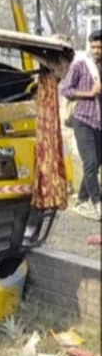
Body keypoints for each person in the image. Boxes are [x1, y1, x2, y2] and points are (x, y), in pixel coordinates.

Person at [61, 29, 102, 218]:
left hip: (99, 121)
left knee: (96, 162)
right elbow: (66, 90)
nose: (96, 51)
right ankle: (97, 202)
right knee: (90, 162)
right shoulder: (80, 65)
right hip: (83, 119)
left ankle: (82, 200)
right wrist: (89, 93)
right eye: (93, 47)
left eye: (99, 47)